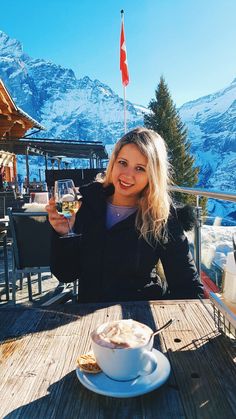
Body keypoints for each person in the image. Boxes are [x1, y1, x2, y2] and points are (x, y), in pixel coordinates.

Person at [46, 127, 204, 302]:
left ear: (152, 175)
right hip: (89, 316)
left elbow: (188, 287)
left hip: (139, 316)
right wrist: (62, 233)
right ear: (113, 163)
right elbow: (66, 274)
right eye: (123, 163)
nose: (128, 175)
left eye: (140, 168)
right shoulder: (86, 203)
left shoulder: (162, 216)